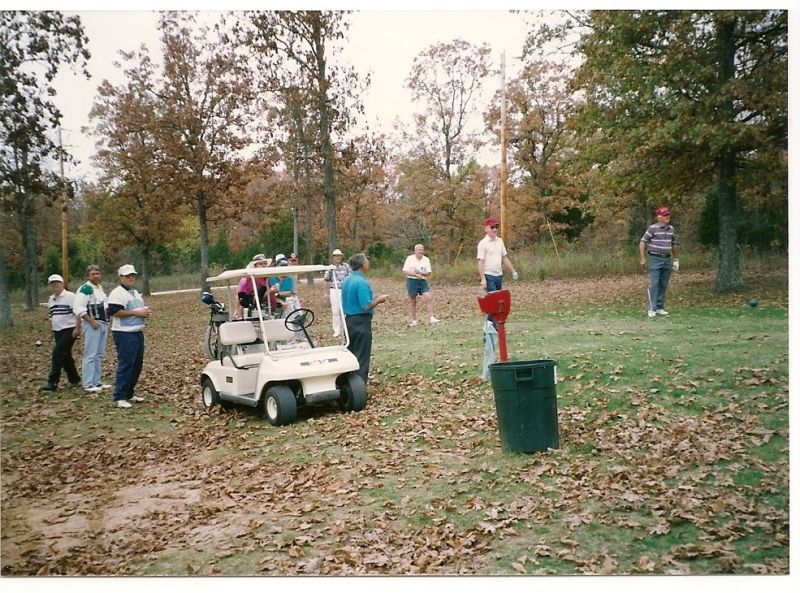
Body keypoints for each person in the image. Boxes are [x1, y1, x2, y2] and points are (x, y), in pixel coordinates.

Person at [341, 253, 389, 383]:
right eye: (367, 261)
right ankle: (360, 385)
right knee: (362, 357)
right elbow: (366, 305)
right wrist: (379, 300)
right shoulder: (361, 282)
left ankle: (347, 383)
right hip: (361, 322)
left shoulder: (346, 280)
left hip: (348, 321)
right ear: (363, 265)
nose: (368, 263)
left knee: (351, 354)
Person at [107, 264, 150, 408]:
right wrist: (137, 313)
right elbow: (114, 311)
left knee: (137, 364)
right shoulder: (117, 293)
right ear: (121, 277)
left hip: (137, 332)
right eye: (127, 276)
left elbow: (135, 309)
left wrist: (144, 312)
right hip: (124, 333)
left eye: (132, 275)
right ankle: (120, 396)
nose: (130, 278)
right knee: (126, 364)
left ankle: (129, 392)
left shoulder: (135, 292)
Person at [72, 264, 111, 393]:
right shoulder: (86, 288)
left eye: (97, 273)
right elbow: (79, 308)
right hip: (92, 324)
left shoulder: (99, 288)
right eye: (93, 274)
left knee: (99, 354)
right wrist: (91, 321)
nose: (96, 275)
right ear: (88, 275)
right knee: (90, 354)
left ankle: (97, 381)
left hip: (103, 323)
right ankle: (88, 383)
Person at [41, 274, 81, 391]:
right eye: (53, 284)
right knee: (65, 356)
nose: (55, 285)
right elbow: (51, 316)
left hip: (69, 329)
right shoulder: (51, 299)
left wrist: (77, 328)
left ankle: (52, 382)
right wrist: (51, 332)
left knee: (57, 353)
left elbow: (78, 313)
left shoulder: (70, 296)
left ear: (62, 284)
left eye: (57, 283)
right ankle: (74, 379)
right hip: (57, 330)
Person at [639, 205, 679, 318]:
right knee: (654, 283)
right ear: (659, 217)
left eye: (668, 215)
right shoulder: (652, 228)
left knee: (663, 283)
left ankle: (660, 307)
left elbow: (674, 244)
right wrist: (642, 258)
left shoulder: (671, 229)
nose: (668, 217)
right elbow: (642, 242)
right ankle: (652, 308)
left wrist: (676, 259)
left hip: (667, 258)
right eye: (665, 215)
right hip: (655, 258)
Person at [477, 217, 519, 291]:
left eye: (496, 227)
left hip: (499, 275)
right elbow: (480, 262)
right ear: (486, 229)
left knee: (498, 297)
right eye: (492, 227)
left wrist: (513, 271)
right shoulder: (482, 243)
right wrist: (483, 279)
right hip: (488, 275)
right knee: (494, 296)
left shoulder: (500, 241)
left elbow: (504, 258)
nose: (494, 229)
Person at [402, 244, 439, 326]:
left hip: (422, 281)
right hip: (411, 281)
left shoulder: (426, 259)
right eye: (419, 250)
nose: (421, 251)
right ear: (415, 251)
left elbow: (428, 272)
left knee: (429, 297)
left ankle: (431, 318)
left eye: (422, 250)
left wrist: (421, 273)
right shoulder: (410, 258)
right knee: (413, 301)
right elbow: (405, 271)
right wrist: (415, 274)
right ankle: (414, 321)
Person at [234, 254, 275, 319]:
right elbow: (240, 298)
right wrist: (237, 312)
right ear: (255, 266)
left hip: (269, 311)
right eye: (261, 264)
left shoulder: (269, 279)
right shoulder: (247, 280)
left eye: (265, 263)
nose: (264, 266)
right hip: (252, 312)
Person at [322, 248, 351, 337]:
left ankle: (345, 329)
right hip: (334, 290)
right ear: (333, 257)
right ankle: (337, 331)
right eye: (336, 256)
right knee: (335, 311)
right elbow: (326, 280)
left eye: (340, 256)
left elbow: (350, 277)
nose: (338, 257)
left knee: (345, 310)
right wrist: (325, 293)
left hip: (344, 290)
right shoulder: (330, 267)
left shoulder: (346, 266)